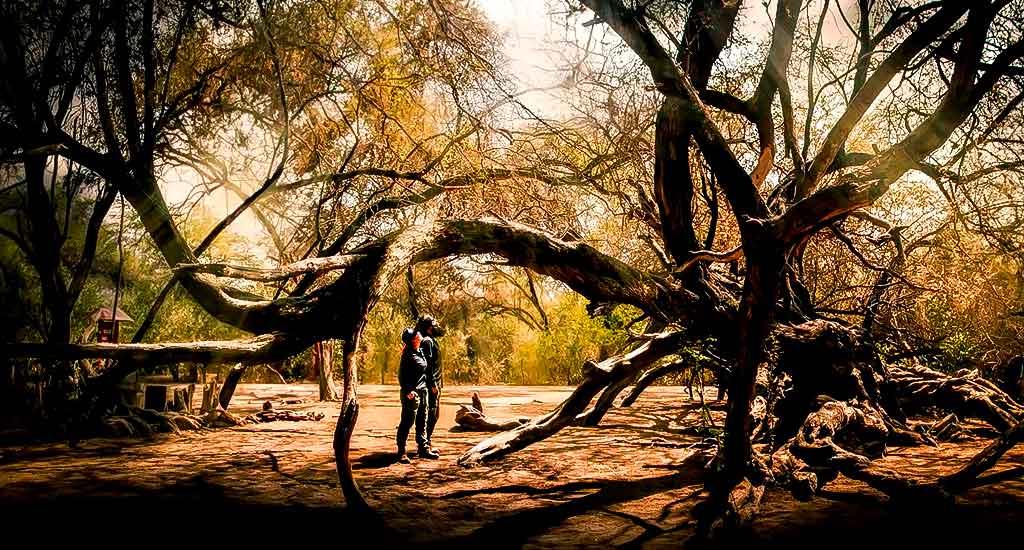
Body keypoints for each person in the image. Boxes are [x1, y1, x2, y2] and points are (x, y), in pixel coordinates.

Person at [395, 320, 440, 463]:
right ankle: (401, 452)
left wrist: (430, 385)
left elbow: (426, 370)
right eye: (416, 334)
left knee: (422, 420)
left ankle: (423, 448)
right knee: (407, 422)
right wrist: (408, 391)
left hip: (423, 391)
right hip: (412, 394)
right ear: (413, 340)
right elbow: (401, 375)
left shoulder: (420, 350)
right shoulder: (407, 355)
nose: (419, 334)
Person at [416, 315, 445, 455]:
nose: (436, 327)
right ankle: (424, 446)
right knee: (429, 414)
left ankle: (427, 443)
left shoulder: (430, 340)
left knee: (433, 414)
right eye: (434, 325)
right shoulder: (427, 341)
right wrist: (433, 384)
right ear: (428, 328)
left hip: (435, 384)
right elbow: (427, 366)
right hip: (430, 386)